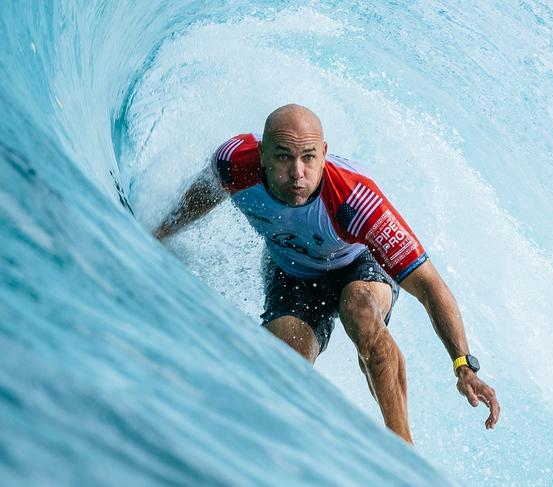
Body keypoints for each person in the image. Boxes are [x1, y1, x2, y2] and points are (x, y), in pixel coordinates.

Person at [154, 104, 500, 444]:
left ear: (323, 153)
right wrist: (155, 235)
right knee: (281, 363)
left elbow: (429, 286)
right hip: (291, 270)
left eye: (308, 157)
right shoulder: (233, 163)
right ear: (262, 155)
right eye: (283, 157)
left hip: (359, 265)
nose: (297, 173)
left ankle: (402, 450)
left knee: (360, 309)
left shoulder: (355, 201)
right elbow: (198, 200)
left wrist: (463, 365)